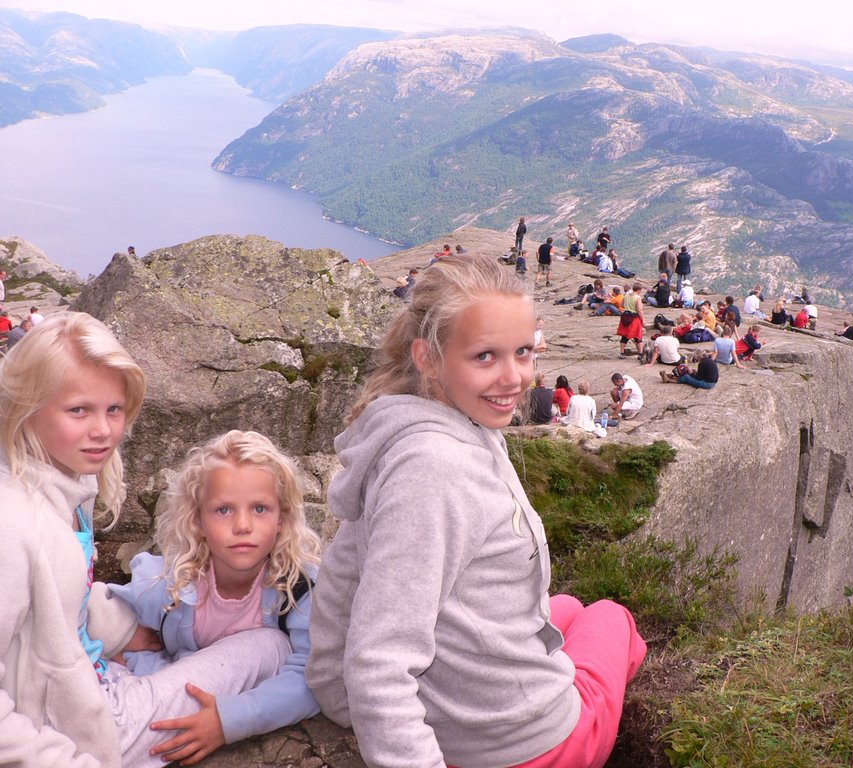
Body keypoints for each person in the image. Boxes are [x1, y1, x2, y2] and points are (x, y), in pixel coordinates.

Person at [306, 256, 646, 768]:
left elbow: (346, 573)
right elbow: (380, 661)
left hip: (463, 707)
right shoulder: (434, 469)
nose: (514, 378)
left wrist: (333, 691)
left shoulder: (420, 427)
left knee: (568, 608)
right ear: (428, 357)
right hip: (521, 747)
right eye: (485, 356)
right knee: (611, 617)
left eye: (524, 352)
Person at [0, 312, 292, 768]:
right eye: (79, 410)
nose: (103, 430)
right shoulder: (12, 522)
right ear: (26, 406)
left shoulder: (67, 482)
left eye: (113, 409)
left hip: (85, 688)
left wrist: (118, 630)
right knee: (269, 647)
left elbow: (55, 602)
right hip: (85, 731)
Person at [108, 430, 323, 762]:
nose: (242, 525)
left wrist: (233, 719)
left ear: (282, 518)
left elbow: (311, 680)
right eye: (223, 510)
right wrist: (122, 639)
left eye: (260, 509)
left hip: (237, 685)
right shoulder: (173, 581)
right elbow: (106, 612)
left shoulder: (298, 588)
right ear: (197, 521)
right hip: (172, 684)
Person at [617, 283, 645, 358]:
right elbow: (639, 310)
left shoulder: (626, 295)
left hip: (625, 316)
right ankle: (640, 354)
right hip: (634, 318)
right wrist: (643, 319)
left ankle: (621, 353)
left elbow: (621, 305)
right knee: (637, 336)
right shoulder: (637, 297)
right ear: (639, 290)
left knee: (624, 336)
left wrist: (627, 306)